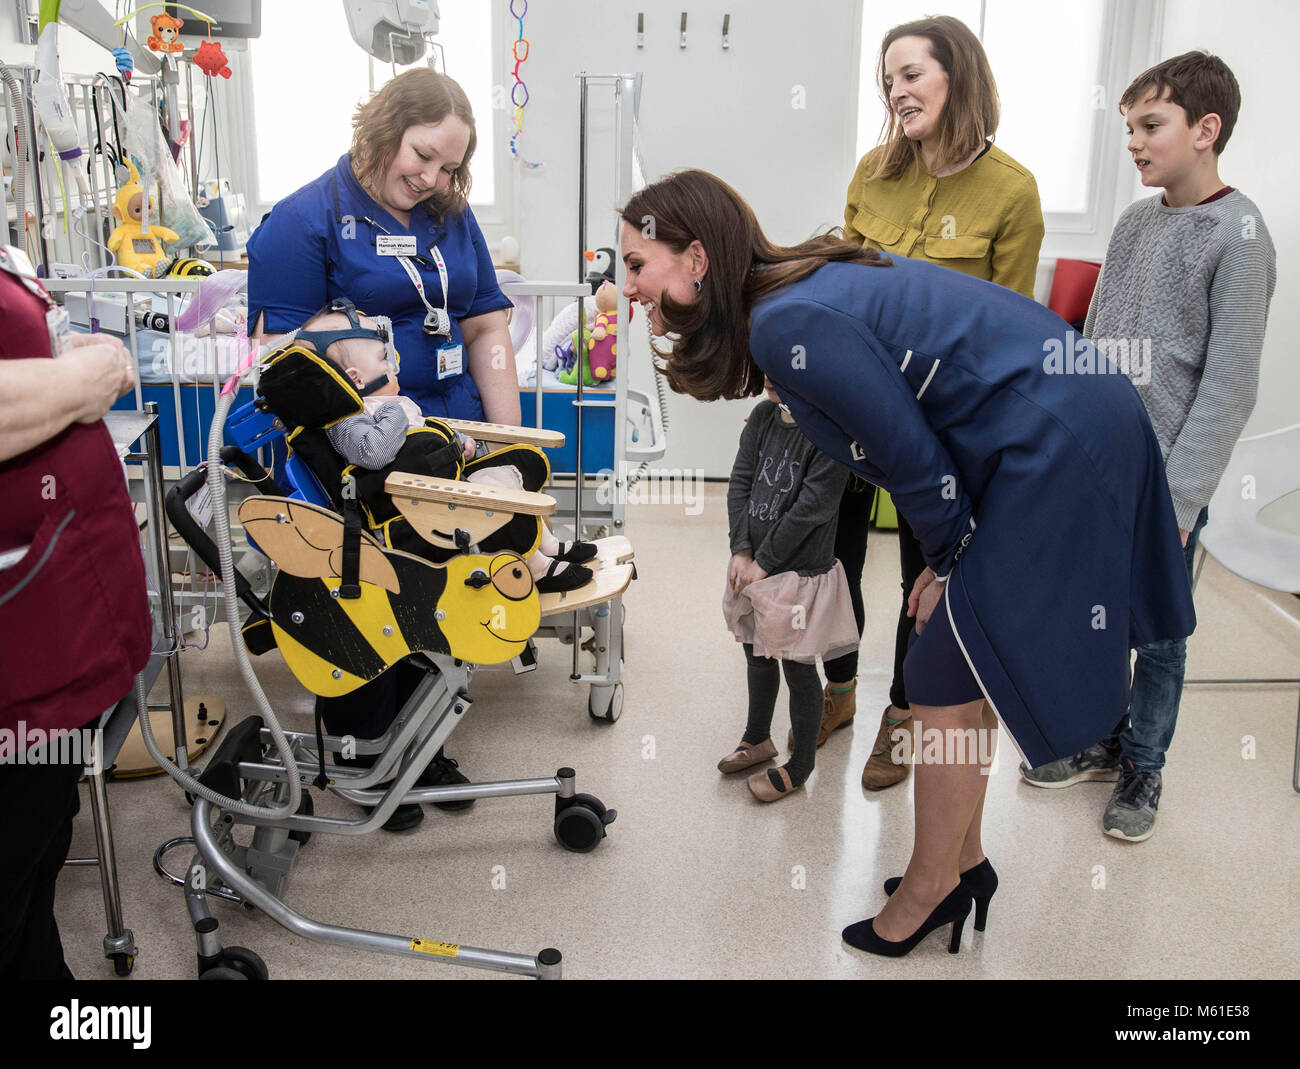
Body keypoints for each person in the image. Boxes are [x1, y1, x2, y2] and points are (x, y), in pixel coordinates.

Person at [619, 170, 1194, 957]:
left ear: (694, 258)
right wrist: (949, 554)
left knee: (939, 674)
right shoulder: (795, 291)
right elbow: (913, 448)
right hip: (1050, 426)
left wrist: (954, 556)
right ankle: (965, 862)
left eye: (636, 266)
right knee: (961, 660)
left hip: (1054, 441)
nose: (627, 290)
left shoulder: (787, 323)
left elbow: (910, 455)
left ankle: (933, 890)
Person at [247, 68, 519, 831]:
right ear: (383, 128)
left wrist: (504, 438)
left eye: (449, 167)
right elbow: (282, 363)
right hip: (353, 450)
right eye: (422, 155)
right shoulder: (303, 223)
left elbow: (486, 326)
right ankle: (369, 746)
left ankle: (422, 740)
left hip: (444, 434)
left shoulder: (449, 216)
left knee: (439, 584)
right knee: (365, 589)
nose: (431, 178)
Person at [1019, 52, 1276, 842]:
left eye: (1150, 126)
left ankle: (1144, 764)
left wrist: (1180, 498)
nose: (1133, 142)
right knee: (1101, 616)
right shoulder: (1134, 222)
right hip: (1100, 464)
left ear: (1207, 130)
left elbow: (1229, 387)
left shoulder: (1240, 234)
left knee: (1161, 630)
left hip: (1168, 479)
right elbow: (1095, 345)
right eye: (1128, 126)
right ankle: (1103, 735)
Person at [824, 16, 1044, 793]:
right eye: (889, 79)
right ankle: (839, 691)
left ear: (958, 76)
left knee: (925, 577)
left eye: (911, 74)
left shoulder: (1012, 191)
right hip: (854, 402)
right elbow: (840, 283)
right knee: (832, 560)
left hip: (941, 420)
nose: (897, 90)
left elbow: (1005, 333)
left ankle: (904, 714)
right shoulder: (873, 172)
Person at [0, 253, 152, 978]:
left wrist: (62, 357)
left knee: (38, 841)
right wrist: (77, 380)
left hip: (48, 625)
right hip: (16, 658)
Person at [296, 306, 596, 593]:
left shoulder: (386, 405)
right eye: (383, 358)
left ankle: (547, 545)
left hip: (440, 490)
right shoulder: (350, 420)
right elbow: (373, 453)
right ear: (355, 378)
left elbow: (424, 429)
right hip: (417, 514)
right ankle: (538, 568)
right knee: (498, 502)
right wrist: (393, 411)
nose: (393, 364)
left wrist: (457, 438)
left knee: (516, 468)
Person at [718, 378, 857, 802]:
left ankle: (800, 767)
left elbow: (812, 509)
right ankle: (757, 737)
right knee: (756, 652)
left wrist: (765, 562)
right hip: (753, 567)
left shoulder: (830, 434)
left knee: (798, 667)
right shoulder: (762, 417)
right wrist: (741, 549)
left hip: (796, 574)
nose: (769, 378)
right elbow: (740, 481)